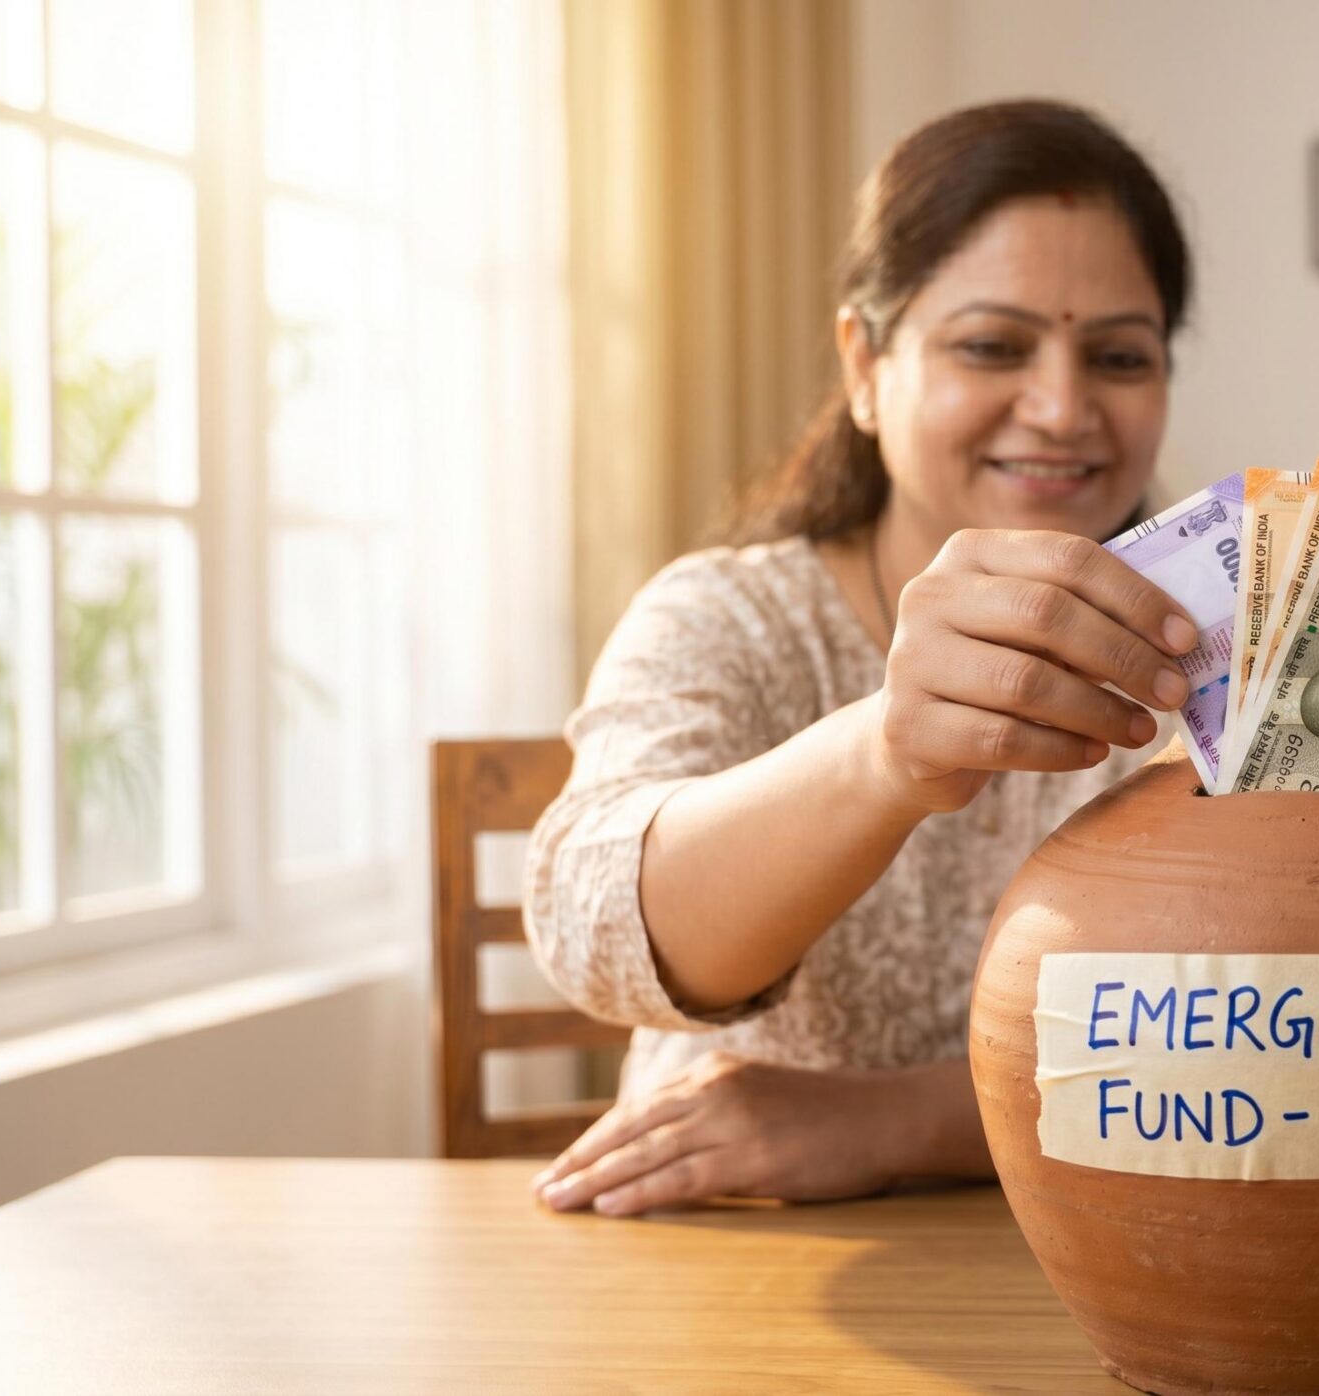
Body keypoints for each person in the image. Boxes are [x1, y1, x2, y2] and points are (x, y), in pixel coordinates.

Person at [523, 100, 1200, 1218]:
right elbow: (590, 927)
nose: (1062, 406)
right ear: (865, 366)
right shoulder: (730, 616)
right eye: (992, 345)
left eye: (1118, 356)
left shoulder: (1207, 660)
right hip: (738, 1275)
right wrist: (884, 755)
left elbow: (1257, 1045)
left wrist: (889, 1123)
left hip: (1107, 1271)